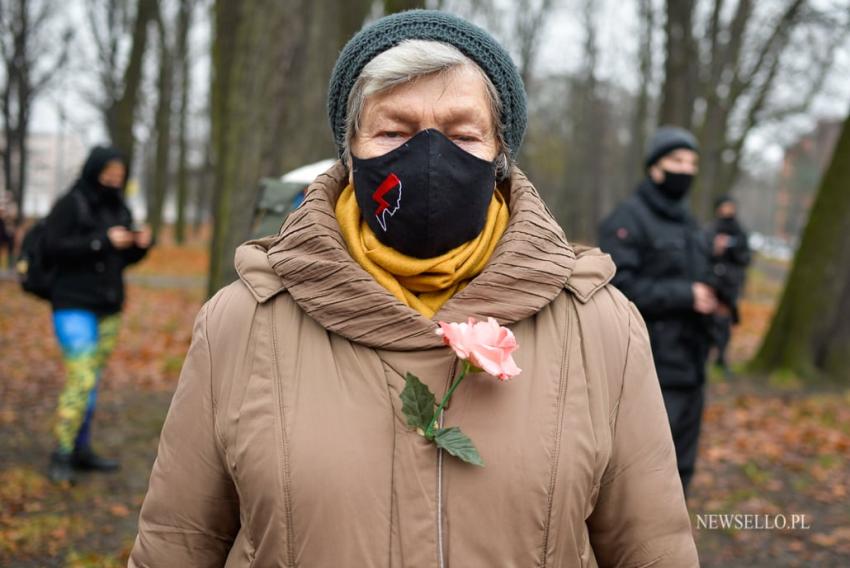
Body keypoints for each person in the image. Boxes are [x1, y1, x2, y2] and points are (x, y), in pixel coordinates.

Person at [131, 11, 698, 567]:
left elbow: (652, 546)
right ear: (350, 151)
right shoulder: (242, 322)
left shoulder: (599, 326)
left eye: (463, 134)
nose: (429, 157)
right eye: (393, 131)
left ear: (500, 156)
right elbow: (177, 541)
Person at [598, 126, 718, 495]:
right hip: (649, 364)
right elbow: (617, 288)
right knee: (646, 470)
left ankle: (675, 544)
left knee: (682, 469)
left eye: (692, 163)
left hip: (692, 363)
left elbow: (699, 276)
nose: (686, 170)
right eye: (677, 161)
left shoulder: (689, 223)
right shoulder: (627, 220)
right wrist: (685, 295)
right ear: (655, 167)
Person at [44, 146, 153, 484]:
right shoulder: (71, 203)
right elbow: (53, 247)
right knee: (81, 377)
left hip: (108, 307)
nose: (114, 180)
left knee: (90, 382)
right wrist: (101, 241)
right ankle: (61, 452)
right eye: (109, 173)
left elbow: (121, 260)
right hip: (72, 304)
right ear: (95, 170)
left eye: (119, 175)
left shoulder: (118, 206)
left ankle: (81, 448)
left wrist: (139, 245)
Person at [706, 195, 751, 375]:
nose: (728, 210)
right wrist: (715, 250)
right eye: (724, 207)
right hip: (712, 283)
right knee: (710, 320)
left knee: (724, 322)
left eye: (730, 207)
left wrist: (732, 249)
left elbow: (745, 258)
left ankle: (721, 358)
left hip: (731, 284)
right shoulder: (710, 230)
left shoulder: (740, 232)